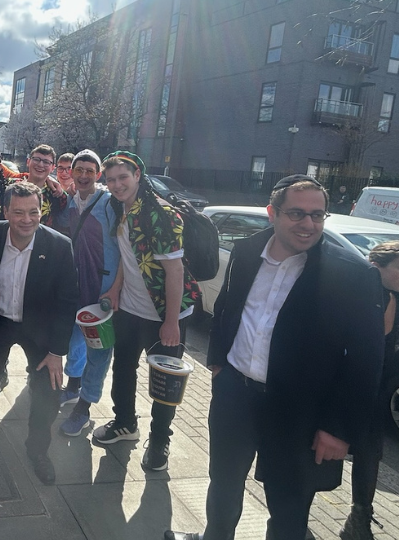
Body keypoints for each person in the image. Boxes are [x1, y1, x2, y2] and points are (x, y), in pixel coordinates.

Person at [167, 175, 384, 540]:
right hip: (236, 392)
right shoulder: (248, 250)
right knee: (223, 483)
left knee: (288, 505)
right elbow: (226, 307)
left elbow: (365, 361)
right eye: (297, 213)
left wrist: (338, 429)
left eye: (318, 215)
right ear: (272, 213)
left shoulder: (351, 274)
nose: (309, 224)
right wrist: (219, 363)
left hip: (298, 411)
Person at [0, 182, 78, 485]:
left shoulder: (60, 247)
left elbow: (67, 303)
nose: (27, 219)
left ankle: (37, 450)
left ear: (41, 211)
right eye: (19, 212)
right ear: (6, 211)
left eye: (33, 212)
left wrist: (57, 352)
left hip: (38, 326)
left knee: (48, 392)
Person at [92, 151, 199, 473]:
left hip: (166, 315)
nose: (116, 184)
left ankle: (160, 439)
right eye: (110, 180)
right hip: (131, 309)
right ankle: (125, 423)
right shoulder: (122, 209)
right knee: (123, 369)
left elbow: (175, 271)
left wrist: (170, 322)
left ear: (138, 175)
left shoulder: (160, 214)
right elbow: (131, 256)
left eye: (123, 177)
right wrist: (115, 288)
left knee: (165, 382)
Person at [55, 150, 120, 438]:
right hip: (74, 285)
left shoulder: (109, 204)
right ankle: (73, 385)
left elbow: (125, 248)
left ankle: (84, 407)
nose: (82, 175)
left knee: (99, 348)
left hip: (102, 289)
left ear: (98, 174)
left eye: (89, 171)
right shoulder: (69, 201)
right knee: (74, 338)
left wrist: (115, 288)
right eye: (78, 169)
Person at [339, 240, 399, 540]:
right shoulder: (374, 295)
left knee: (369, 452)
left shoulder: (391, 295)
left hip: (378, 386)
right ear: (376, 267)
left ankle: (360, 514)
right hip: (358, 384)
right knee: (347, 448)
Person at [17, 144, 67, 227]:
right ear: (28, 162)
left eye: (46, 162)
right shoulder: (11, 186)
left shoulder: (57, 195)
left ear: (52, 168)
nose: (40, 165)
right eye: (36, 159)